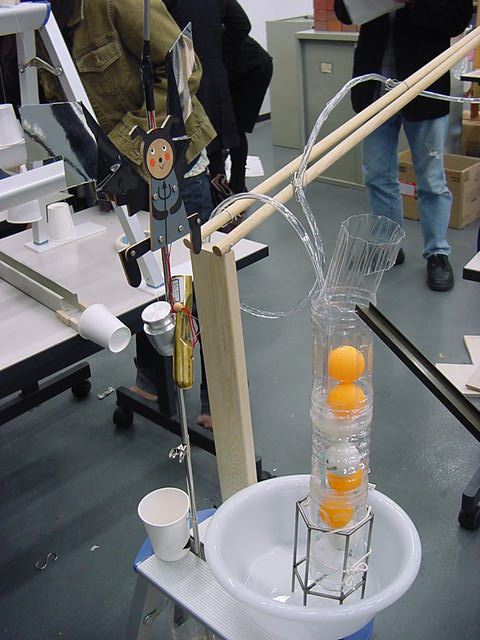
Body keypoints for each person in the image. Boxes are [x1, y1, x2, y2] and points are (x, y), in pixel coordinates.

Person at [44, 0, 216, 411]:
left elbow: (184, 67)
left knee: (201, 290)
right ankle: (153, 380)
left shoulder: (113, 3)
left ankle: (218, 396)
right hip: (120, 176)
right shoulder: (41, 25)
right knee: (145, 281)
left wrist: (121, 147)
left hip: (175, 160)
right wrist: (97, 169)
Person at [334, 0, 473, 291]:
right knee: (376, 175)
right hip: (374, 87)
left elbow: (456, 19)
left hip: (425, 86)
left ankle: (437, 253)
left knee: (431, 180)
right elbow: (343, 12)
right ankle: (388, 246)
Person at [165, 0, 249, 199]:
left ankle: (209, 203)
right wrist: (217, 50)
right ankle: (226, 198)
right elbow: (241, 24)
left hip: (183, 74)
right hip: (213, 72)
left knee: (193, 145)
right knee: (215, 141)